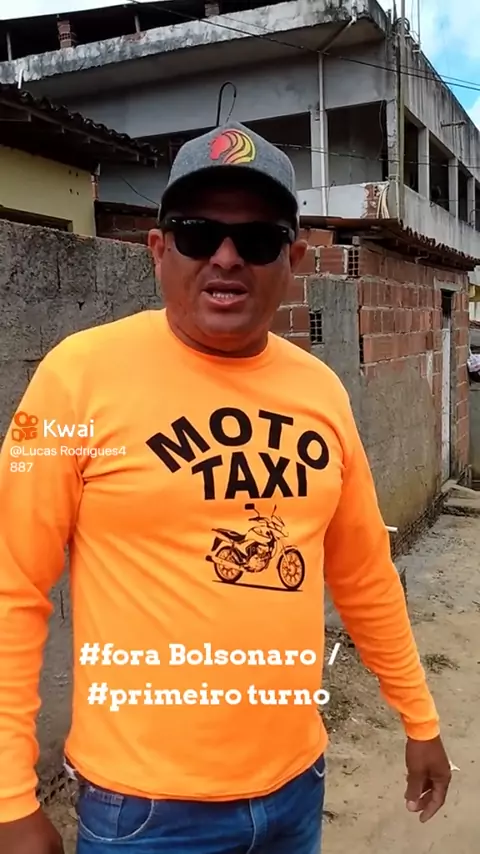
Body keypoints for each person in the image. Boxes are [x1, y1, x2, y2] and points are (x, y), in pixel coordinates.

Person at [0, 121, 451, 854]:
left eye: (259, 239)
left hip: (296, 791)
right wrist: (8, 799)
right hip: (143, 814)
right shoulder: (74, 379)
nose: (227, 257)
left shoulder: (321, 393)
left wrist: (419, 717)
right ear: (158, 249)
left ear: (294, 259)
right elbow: (11, 588)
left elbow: (365, 574)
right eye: (197, 233)